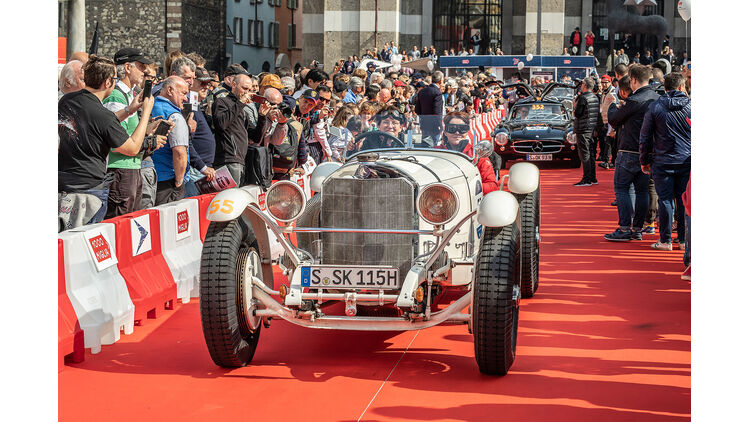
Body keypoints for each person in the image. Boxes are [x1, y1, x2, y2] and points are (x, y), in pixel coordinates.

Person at [59, 55, 162, 224]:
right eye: (115, 78)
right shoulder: (102, 115)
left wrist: (129, 109)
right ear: (108, 82)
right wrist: (145, 112)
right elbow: (132, 148)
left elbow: (98, 124)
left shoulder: (67, 100)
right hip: (89, 190)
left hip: (63, 184)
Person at [604, 65, 660, 241]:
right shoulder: (657, 97)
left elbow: (614, 118)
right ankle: (637, 228)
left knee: (621, 188)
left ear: (633, 80)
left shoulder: (635, 100)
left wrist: (612, 105)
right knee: (642, 191)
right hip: (649, 150)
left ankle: (624, 227)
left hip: (629, 149)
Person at [639, 73, 691, 251]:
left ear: (666, 87)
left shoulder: (655, 106)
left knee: (666, 200)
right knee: (684, 201)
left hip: (663, 160)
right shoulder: (691, 105)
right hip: (685, 160)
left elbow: (645, 137)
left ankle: (666, 240)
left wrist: (644, 160)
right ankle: (684, 240)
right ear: (681, 87)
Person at [102, 48, 155, 218]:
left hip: (131, 167)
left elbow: (128, 134)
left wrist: (148, 131)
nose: (145, 71)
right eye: (141, 66)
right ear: (127, 67)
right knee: (122, 223)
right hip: (120, 169)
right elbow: (116, 140)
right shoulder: (117, 96)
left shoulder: (129, 95)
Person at [152, 77, 192, 205]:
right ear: (169, 90)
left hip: (151, 176)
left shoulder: (151, 107)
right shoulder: (174, 116)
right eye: (183, 93)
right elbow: (180, 152)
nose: (186, 99)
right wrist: (179, 183)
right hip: (168, 180)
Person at [438, 112, 499, 194]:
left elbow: (492, 186)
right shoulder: (436, 153)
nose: (457, 133)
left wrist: (468, 187)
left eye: (462, 129)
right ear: (445, 132)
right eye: (452, 128)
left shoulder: (477, 154)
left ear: (467, 132)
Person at [212, 73, 256, 185]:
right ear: (234, 84)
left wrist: (264, 117)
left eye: (249, 90)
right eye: (244, 88)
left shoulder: (241, 107)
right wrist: (240, 103)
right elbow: (222, 124)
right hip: (228, 159)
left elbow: (255, 135)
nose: (247, 92)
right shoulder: (222, 102)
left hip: (241, 159)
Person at [184, 67, 217, 198]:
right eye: (202, 83)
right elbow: (186, 141)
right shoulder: (188, 105)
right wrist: (202, 166)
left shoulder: (196, 104)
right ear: (191, 82)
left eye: (208, 84)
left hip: (202, 169)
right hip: (196, 169)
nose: (206, 87)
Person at [572, 77, 600, 186]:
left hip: (583, 128)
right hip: (591, 128)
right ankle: (592, 178)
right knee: (591, 153)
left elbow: (577, 114)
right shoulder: (595, 97)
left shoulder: (583, 98)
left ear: (584, 85)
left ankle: (587, 179)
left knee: (585, 154)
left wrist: (574, 107)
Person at [415, 70, 445, 145]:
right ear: (441, 81)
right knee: (433, 147)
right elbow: (437, 112)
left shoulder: (422, 91)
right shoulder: (437, 93)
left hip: (424, 124)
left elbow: (417, 110)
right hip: (434, 126)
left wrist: (424, 118)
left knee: (425, 146)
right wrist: (441, 126)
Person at [598, 75, 617, 170]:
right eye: (602, 82)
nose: (604, 84)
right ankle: (612, 161)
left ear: (610, 82)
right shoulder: (604, 93)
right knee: (610, 142)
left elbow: (616, 106)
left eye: (606, 82)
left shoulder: (613, 92)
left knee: (609, 141)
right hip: (605, 120)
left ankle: (606, 161)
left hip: (611, 121)